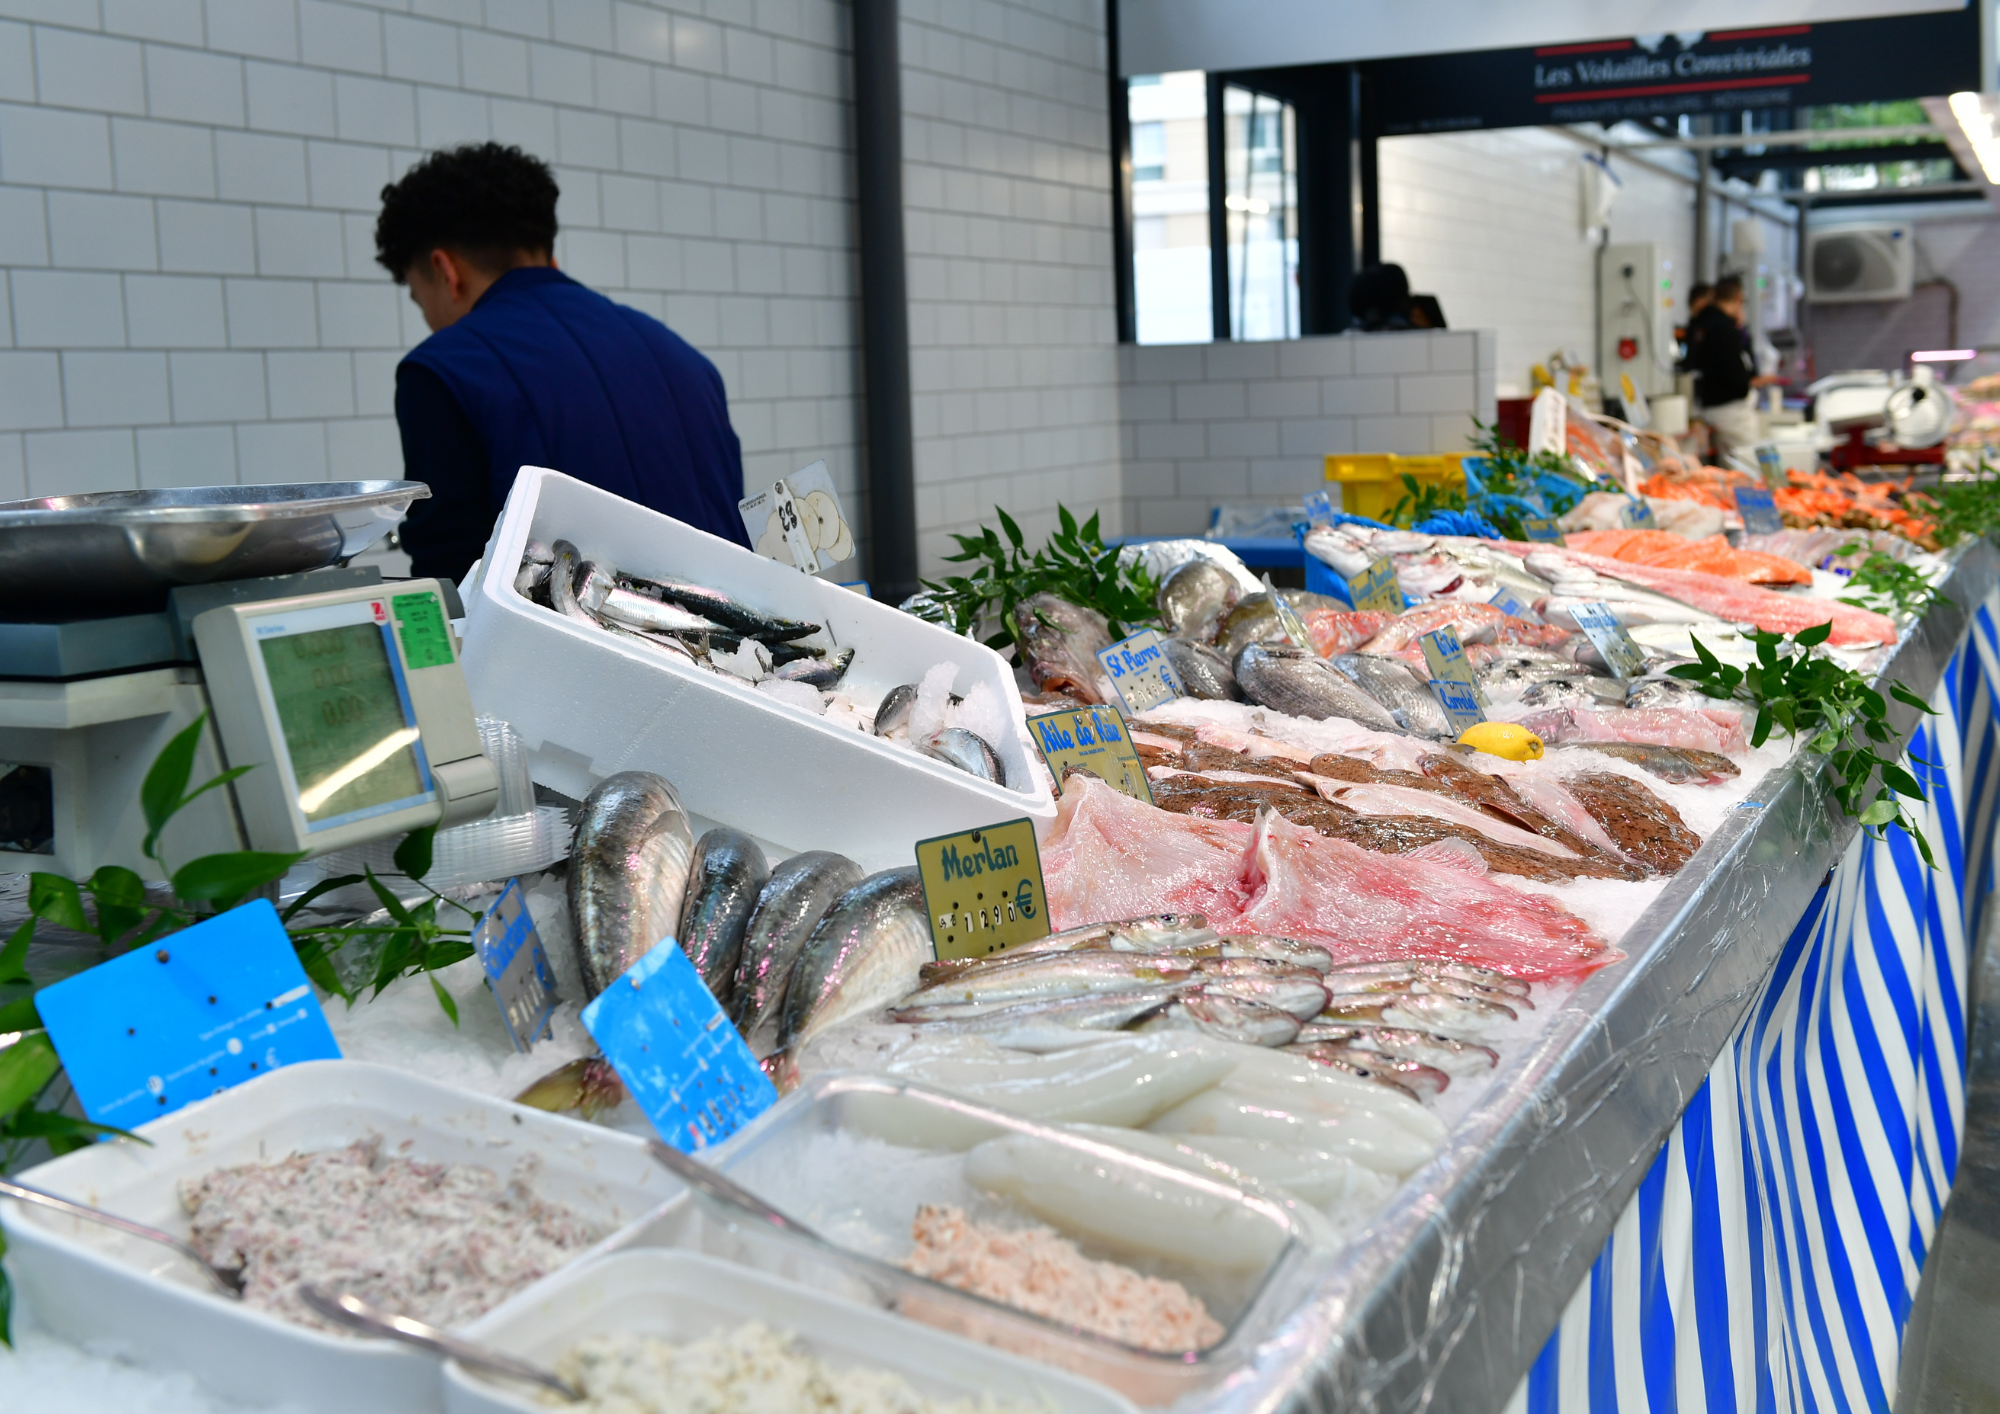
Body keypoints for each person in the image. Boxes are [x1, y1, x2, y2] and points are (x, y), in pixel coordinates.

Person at [375, 143, 750, 583]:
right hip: (738, 626)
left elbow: (455, 583)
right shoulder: (689, 363)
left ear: (445, 271)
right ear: (547, 256)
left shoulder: (444, 371)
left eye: (419, 298)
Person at [1685, 275, 1773, 459]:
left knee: (1730, 465)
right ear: (1738, 298)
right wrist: (1749, 383)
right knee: (1749, 463)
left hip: (1709, 407)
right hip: (1731, 412)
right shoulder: (1724, 328)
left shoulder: (1701, 324)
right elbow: (1737, 374)